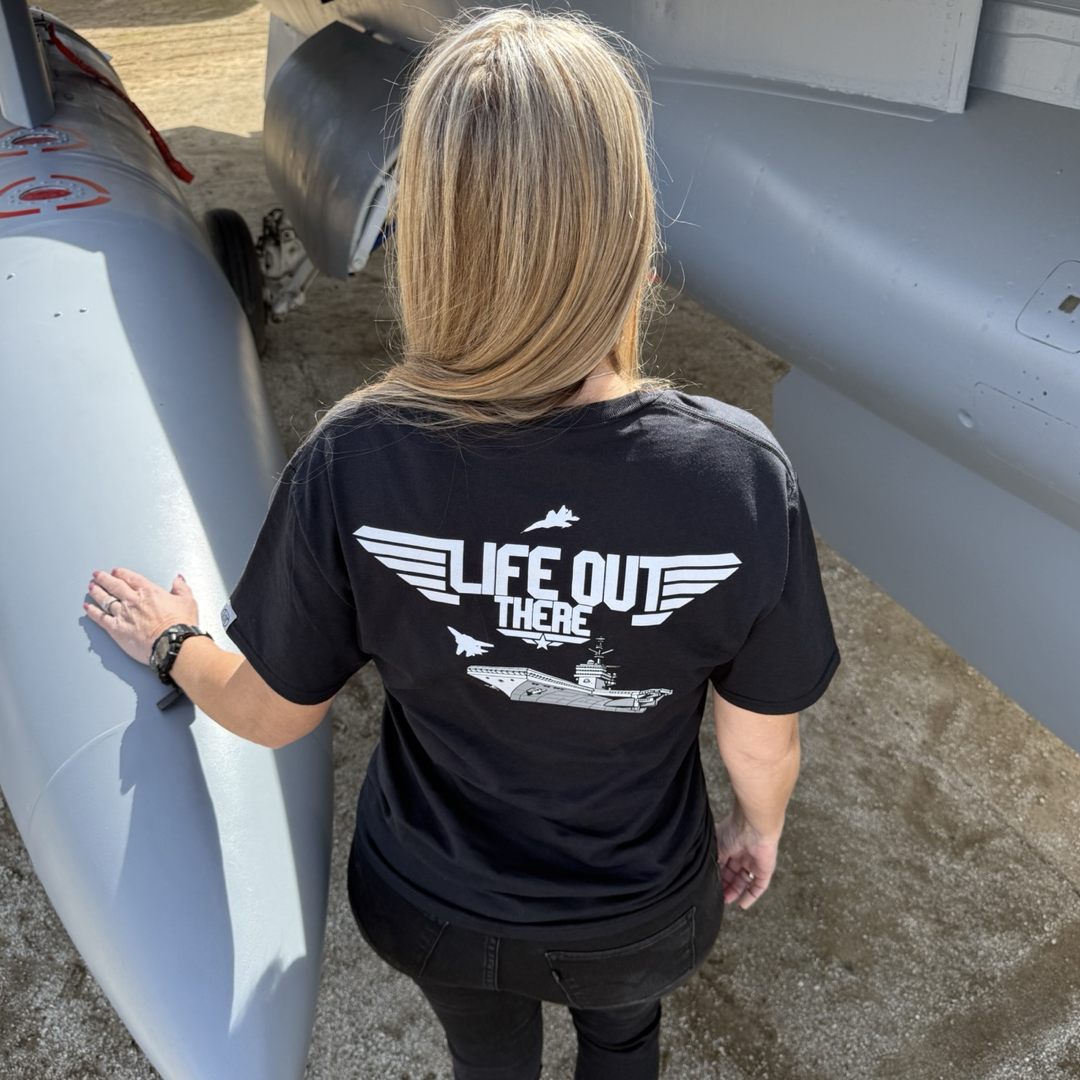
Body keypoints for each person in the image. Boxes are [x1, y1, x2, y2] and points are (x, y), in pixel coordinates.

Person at [84, 9, 839, 1080]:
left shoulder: (358, 454)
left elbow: (269, 709)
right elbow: (759, 740)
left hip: (428, 904)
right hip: (636, 916)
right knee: (624, 1038)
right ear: (628, 221)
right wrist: (758, 829)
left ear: (429, 226)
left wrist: (173, 644)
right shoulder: (737, 475)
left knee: (485, 1053)